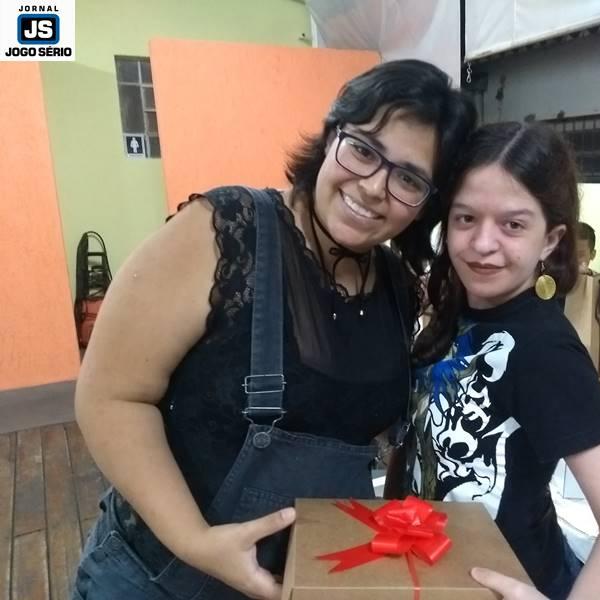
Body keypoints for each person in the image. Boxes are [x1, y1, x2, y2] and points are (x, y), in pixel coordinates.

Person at [71, 59, 476, 600]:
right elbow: (110, 397)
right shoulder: (224, 232)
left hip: (297, 584)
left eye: (408, 178)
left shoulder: (398, 289)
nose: (375, 187)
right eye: (363, 150)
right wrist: (196, 542)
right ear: (331, 136)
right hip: (156, 578)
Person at [410, 122, 600, 600]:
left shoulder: (546, 349)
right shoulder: (457, 311)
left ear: (550, 240)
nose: (483, 243)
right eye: (466, 218)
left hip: (515, 579)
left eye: (513, 225)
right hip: (435, 568)